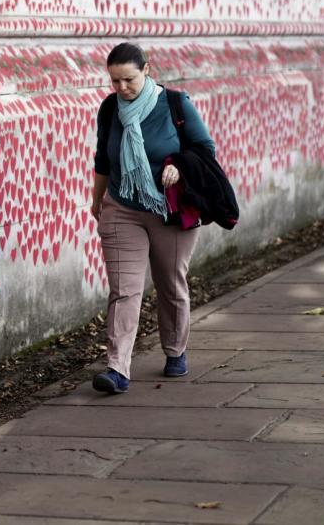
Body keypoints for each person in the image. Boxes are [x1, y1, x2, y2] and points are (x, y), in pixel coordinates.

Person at [90, 42, 216, 394]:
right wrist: (97, 199)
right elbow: (104, 157)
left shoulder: (175, 104)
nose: (121, 89)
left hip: (169, 211)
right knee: (124, 290)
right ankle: (117, 368)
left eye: (128, 80)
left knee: (170, 284)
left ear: (147, 69)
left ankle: (175, 349)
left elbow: (205, 150)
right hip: (122, 208)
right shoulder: (109, 108)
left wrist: (178, 166)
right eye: (114, 81)